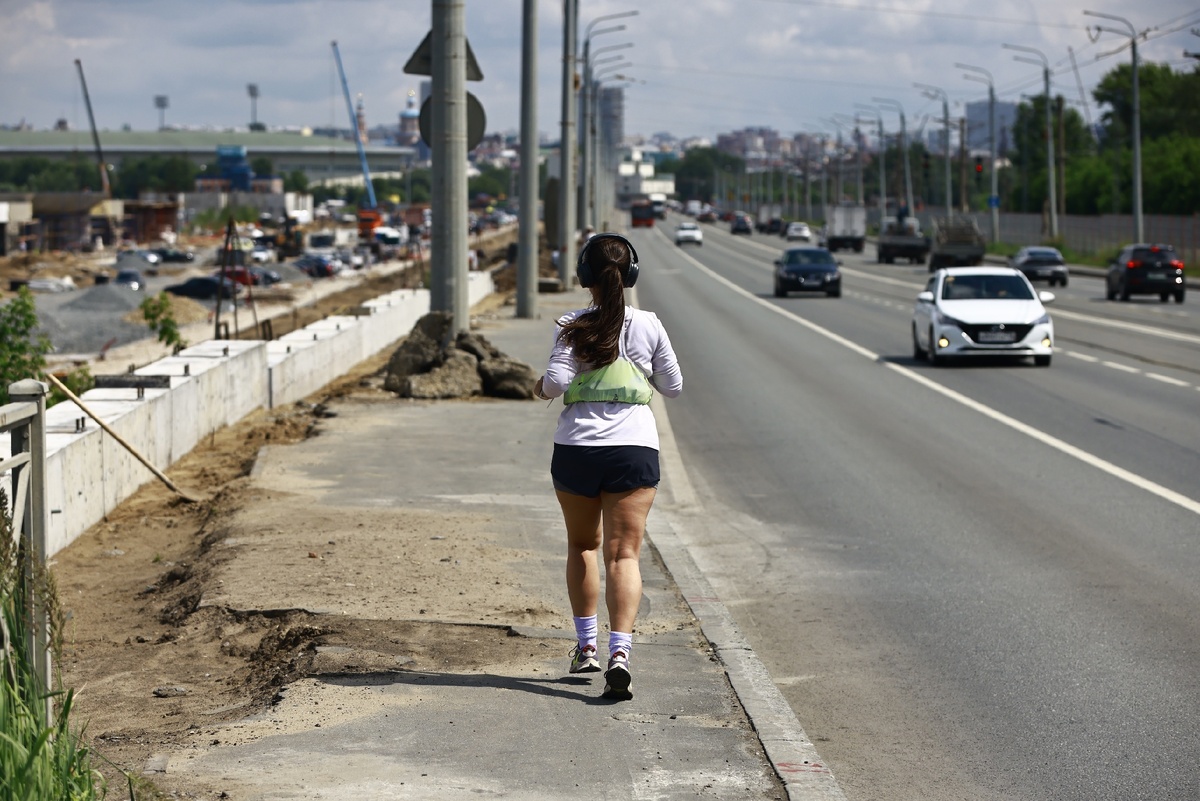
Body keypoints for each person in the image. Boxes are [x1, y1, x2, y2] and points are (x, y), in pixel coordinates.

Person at [533, 233, 683, 701]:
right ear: (631, 273)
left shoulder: (573, 324)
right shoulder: (649, 324)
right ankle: (621, 654)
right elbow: (673, 386)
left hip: (578, 450)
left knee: (582, 546)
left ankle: (586, 646)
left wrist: (539, 387)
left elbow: (556, 382)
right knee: (624, 555)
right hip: (633, 451)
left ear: (584, 277)